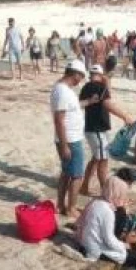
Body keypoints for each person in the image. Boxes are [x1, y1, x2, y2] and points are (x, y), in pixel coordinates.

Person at [79, 65, 135, 197]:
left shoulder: (86, 87)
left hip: (91, 128)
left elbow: (86, 101)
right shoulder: (100, 87)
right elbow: (108, 104)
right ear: (101, 74)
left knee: (96, 159)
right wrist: (125, 116)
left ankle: (84, 187)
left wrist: (107, 84)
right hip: (97, 130)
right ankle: (106, 193)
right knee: (103, 162)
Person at [51, 59, 89, 217]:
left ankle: (60, 205)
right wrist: (65, 145)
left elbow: (71, 107)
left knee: (66, 173)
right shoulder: (62, 91)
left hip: (69, 139)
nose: (80, 81)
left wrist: (88, 102)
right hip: (70, 140)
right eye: (80, 77)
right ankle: (71, 208)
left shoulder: (63, 89)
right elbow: (59, 120)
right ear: (75, 74)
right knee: (77, 176)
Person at [73, 176, 136, 266]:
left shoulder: (95, 202)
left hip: (83, 241)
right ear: (117, 194)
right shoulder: (107, 211)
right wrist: (123, 246)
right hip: (93, 249)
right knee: (132, 257)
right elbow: (109, 240)